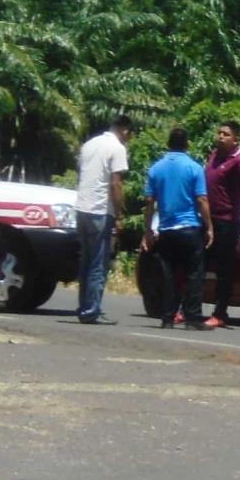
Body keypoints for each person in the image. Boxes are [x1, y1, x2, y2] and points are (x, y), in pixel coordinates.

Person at [142, 127, 214, 330]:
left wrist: (148, 230)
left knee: (169, 274)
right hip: (190, 227)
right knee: (194, 273)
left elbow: (149, 201)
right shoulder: (194, 168)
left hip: (166, 229)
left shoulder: (156, 169)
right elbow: (201, 199)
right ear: (187, 144)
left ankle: (167, 317)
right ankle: (192, 317)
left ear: (168, 143)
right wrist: (209, 227)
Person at [202, 120, 240, 328]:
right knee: (198, 265)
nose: (220, 136)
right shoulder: (215, 155)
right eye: (219, 133)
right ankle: (189, 308)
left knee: (223, 269)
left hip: (227, 221)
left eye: (226, 134)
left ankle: (220, 313)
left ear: (235, 139)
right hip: (208, 219)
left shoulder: (239, 160)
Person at [75, 114, 132, 324]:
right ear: (125, 131)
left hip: (82, 207)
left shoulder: (89, 144)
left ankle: (84, 306)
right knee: (99, 263)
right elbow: (115, 183)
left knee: (86, 261)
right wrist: (119, 214)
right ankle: (92, 310)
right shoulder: (117, 148)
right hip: (100, 209)